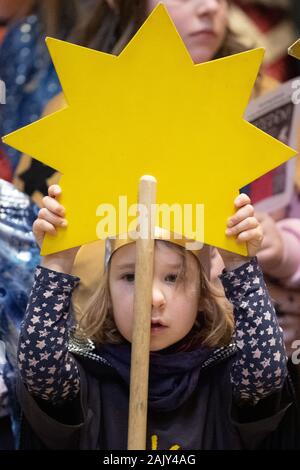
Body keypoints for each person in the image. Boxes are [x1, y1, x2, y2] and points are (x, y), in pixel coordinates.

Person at [16, 184, 292, 450]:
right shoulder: (90, 377)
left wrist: (240, 265)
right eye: (130, 277)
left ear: (201, 298)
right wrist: (57, 262)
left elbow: (266, 375)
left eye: (173, 277)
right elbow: (40, 371)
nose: (152, 298)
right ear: (108, 294)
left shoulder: (225, 378)